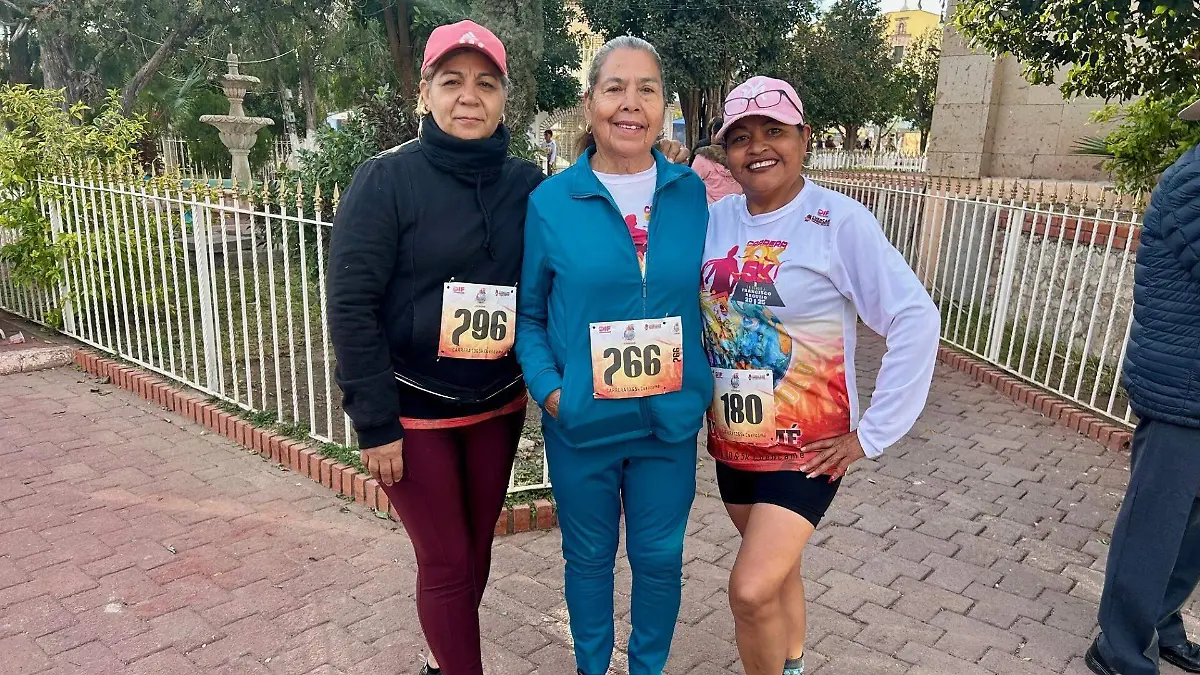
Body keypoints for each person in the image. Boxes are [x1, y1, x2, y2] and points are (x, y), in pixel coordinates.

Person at [699, 76, 940, 675]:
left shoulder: (838, 221)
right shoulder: (715, 220)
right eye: (742, 137)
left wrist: (873, 433)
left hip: (809, 450)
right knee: (779, 576)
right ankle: (794, 665)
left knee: (750, 590)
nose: (759, 148)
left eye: (774, 131)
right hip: (735, 443)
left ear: (803, 138)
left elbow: (914, 318)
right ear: (726, 151)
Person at [327, 21, 543, 675]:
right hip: (414, 410)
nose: (469, 96)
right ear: (425, 93)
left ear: (505, 97)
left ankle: (440, 660)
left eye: (485, 83)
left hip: (497, 405)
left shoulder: (529, 185)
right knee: (447, 557)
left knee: (474, 551)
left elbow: (558, 283)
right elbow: (350, 305)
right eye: (452, 82)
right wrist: (374, 420)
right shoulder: (385, 180)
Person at [516, 36, 712, 675]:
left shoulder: (693, 196)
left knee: (659, 558)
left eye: (647, 90)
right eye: (615, 88)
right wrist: (553, 391)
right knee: (590, 560)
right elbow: (531, 316)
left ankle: (647, 668)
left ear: (663, 106)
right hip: (584, 425)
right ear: (590, 102)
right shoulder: (551, 202)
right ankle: (592, 668)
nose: (631, 104)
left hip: (668, 425)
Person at [1085, 98, 1200, 675]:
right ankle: (1119, 646)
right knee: (1157, 522)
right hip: (1182, 386)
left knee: (1192, 530)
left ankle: (1159, 622)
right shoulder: (1194, 180)